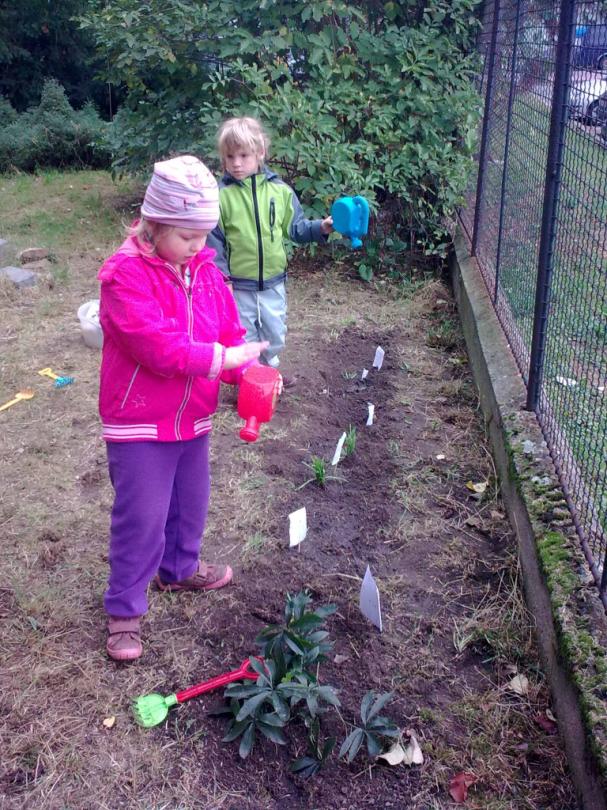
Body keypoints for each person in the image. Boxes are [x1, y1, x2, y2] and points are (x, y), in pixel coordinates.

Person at [98, 155, 268, 662]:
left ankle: (178, 568)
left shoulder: (206, 273)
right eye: (187, 236)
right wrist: (220, 360)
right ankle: (125, 609)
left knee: (190, 503)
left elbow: (229, 333)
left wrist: (248, 372)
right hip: (139, 420)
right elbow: (157, 346)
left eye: (205, 235)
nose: (199, 246)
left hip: (191, 416)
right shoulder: (125, 277)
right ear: (153, 225)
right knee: (142, 516)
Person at [207, 116, 333, 388]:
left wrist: (321, 228)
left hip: (274, 281)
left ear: (260, 153)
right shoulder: (220, 197)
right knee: (245, 336)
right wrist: (222, 279)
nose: (236, 163)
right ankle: (251, 382)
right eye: (230, 156)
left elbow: (297, 229)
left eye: (244, 155)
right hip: (239, 284)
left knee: (275, 335)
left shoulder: (281, 191)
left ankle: (269, 369)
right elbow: (214, 241)